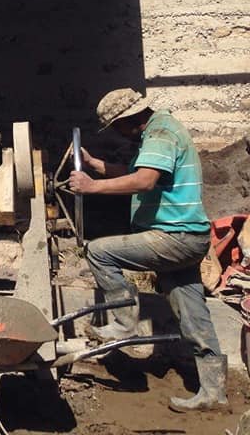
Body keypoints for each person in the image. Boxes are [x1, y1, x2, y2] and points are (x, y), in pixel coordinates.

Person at [69, 88, 227, 412]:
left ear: (129, 119)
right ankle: (214, 392)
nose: (116, 132)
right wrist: (94, 165)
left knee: (99, 252)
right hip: (187, 237)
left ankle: (125, 323)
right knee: (193, 316)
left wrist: (92, 187)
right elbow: (133, 173)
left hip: (175, 238)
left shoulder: (160, 133)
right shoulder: (157, 132)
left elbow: (143, 181)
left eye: (116, 126)